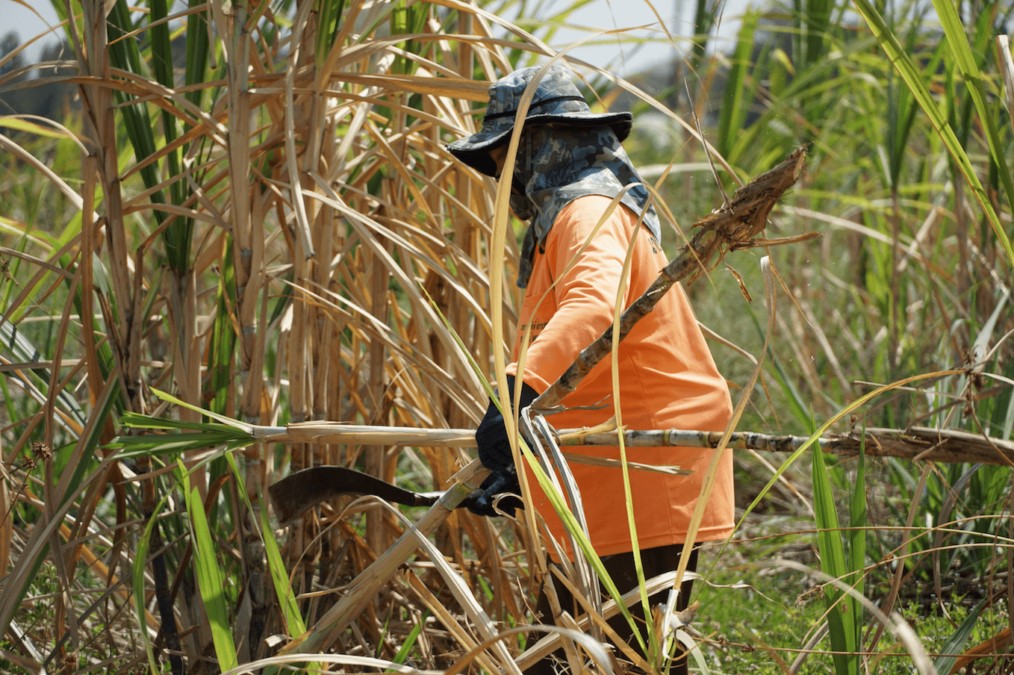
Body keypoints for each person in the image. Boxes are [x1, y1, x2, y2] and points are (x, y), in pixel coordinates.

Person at [447, 64, 734, 674]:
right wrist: (523, 465)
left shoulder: (588, 211)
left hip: (644, 457)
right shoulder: (577, 217)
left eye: (502, 157)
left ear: (535, 146)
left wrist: (514, 393)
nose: (500, 177)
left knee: (616, 656)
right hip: (610, 462)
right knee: (592, 651)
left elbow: (592, 307)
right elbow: (592, 357)